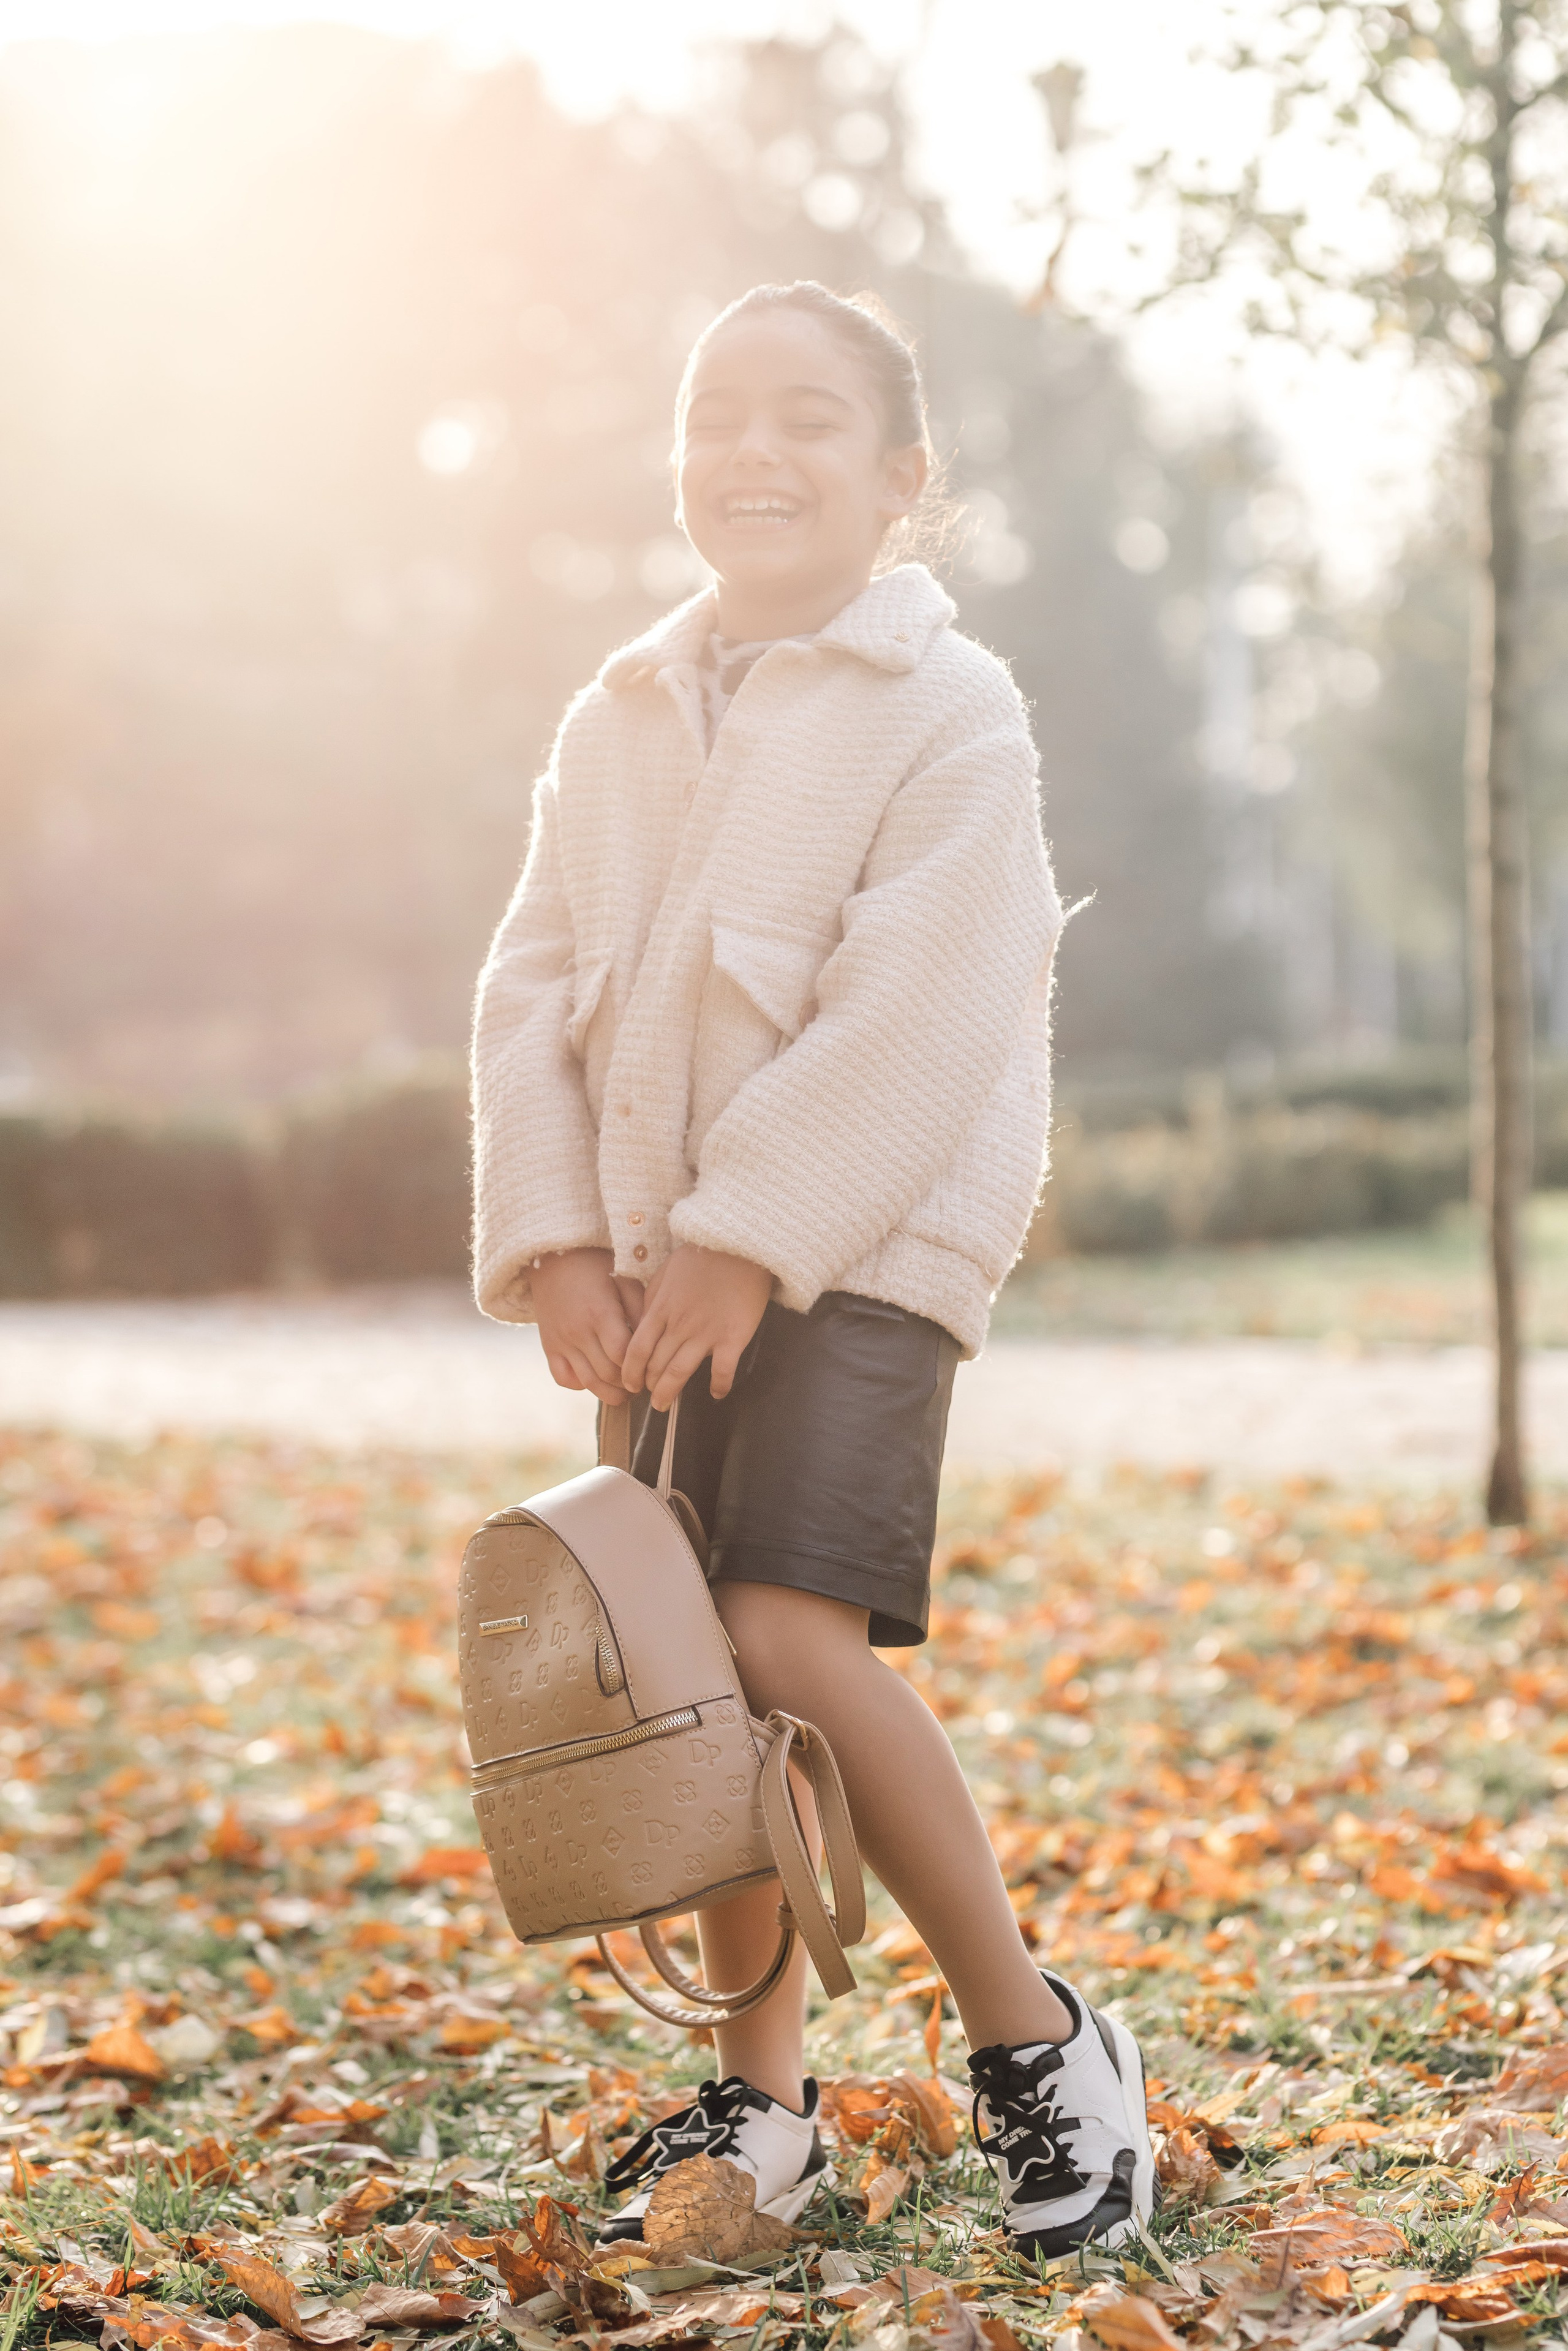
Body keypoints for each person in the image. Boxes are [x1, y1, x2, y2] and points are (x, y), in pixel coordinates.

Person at [470, 281, 1153, 2258]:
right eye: (715, 418)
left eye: (805, 420)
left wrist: (747, 1240)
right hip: (650, 1271)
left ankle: (1042, 2047)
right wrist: (560, 1241)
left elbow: (919, 1010)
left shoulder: (950, 711)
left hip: (857, 1246)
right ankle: (762, 2108)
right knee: (687, 1676)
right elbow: (528, 983)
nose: (750, 453)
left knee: (785, 1637)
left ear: (900, 477)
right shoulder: (616, 714)